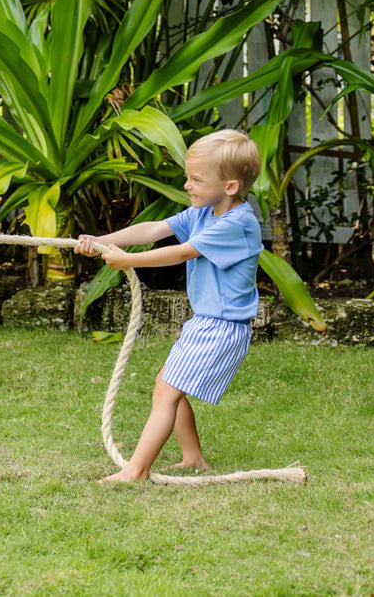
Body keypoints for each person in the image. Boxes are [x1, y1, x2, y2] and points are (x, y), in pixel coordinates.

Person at [76, 129, 263, 484]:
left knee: (166, 390)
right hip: (207, 322)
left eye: (196, 179)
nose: (187, 185)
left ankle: (136, 470)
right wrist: (101, 242)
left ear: (231, 187)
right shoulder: (204, 213)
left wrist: (126, 261)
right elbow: (153, 230)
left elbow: (181, 252)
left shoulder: (236, 224)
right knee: (168, 384)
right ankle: (193, 458)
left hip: (222, 326)